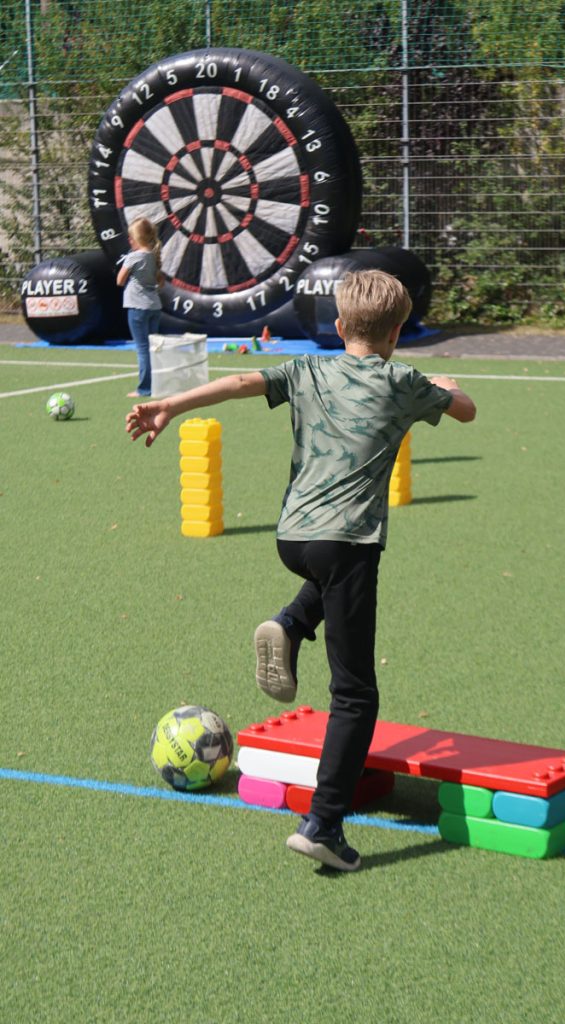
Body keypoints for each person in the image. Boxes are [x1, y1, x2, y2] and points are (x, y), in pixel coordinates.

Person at [125, 269, 476, 872]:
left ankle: (290, 622)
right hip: (347, 543)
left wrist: (170, 406)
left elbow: (239, 382)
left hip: (292, 537)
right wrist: (444, 384)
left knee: (327, 584)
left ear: (339, 328)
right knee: (356, 695)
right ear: (397, 333)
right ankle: (325, 824)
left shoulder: (307, 369)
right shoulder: (403, 381)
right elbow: (466, 411)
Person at [116, 217, 164, 398]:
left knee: (143, 349)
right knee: (153, 348)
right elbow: (161, 281)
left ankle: (144, 389)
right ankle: (156, 384)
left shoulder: (134, 256)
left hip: (137, 306)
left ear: (136, 239)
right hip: (154, 306)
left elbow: (119, 281)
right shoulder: (153, 255)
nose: (129, 241)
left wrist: (130, 270)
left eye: (130, 238)